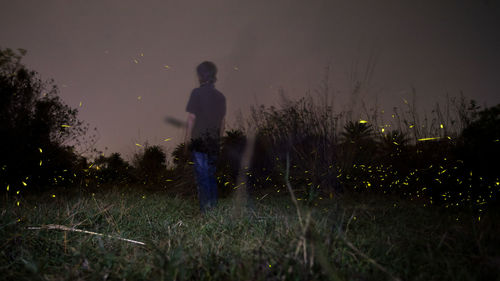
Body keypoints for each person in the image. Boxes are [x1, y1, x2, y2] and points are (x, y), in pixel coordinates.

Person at [184, 61, 226, 213]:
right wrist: (218, 141)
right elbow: (223, 123)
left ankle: (205, 210)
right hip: (213, 142)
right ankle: (213, 208)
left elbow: (191, 119)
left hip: (199, 141)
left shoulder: (196, 93)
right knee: (211, 175)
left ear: (201, 76)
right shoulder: (221, 97)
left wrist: (186, 139)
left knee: (202, 176)